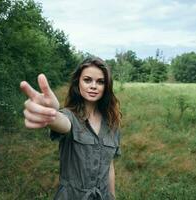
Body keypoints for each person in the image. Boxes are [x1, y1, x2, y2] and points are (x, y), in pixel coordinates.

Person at [20, 57, 121, 200]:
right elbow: (62, 123)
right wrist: (50, 114)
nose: (94, 86)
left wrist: (112, 196)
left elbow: (109, 166)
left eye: (100, 82)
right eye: (87, 80)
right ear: (77, 83)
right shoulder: (69, 116)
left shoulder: (112, 123)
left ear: (107, 86)